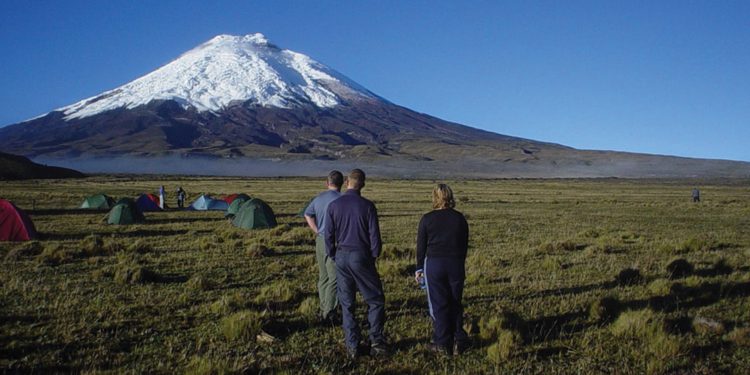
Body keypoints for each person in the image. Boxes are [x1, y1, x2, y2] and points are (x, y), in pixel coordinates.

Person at [325, 169, 388, 359]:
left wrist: (333, 254)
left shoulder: (334, 206)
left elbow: (328, 235)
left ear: (347, 182)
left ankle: (352, 345)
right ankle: (376, 341)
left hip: (342, 256)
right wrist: (374, 255)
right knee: (375, 300)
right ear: (363, 184)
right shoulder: (368, 206)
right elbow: (374, 237)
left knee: (347, 303)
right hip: (361, 256)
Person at [415, 183, 470, 356]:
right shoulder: (459, 218)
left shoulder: (427, 219)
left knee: (439, 304)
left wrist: (418, 269)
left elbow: (421, 247)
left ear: (434, 197)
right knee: (455, 301)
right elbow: (464, 244)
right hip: (455, 263)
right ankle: (459, 340)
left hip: (435, 264)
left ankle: (441, 342)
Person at [304, 170, 344, 323]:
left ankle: (324, 307)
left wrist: (316, 229)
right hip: (335, 240)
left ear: (327, 183)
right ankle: (329, 312)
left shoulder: (318, 198)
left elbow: (308, 214)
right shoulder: (342, 199)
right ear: (342, 183)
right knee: (334, 277)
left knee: (323, 276)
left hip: (320, 239)